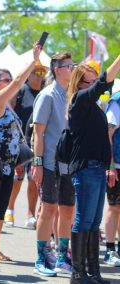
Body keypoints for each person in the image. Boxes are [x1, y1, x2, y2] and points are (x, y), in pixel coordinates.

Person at [0, 42, 42, 264]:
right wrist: (33, 61)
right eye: (5, 80)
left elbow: (15, 135)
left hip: (10, 164)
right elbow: (20, 81)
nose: (10, 83)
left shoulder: (8, 105)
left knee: (0, 209)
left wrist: (19, 159)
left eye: (10, 79)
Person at [67, 57, 120, 283]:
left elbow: (103, 85)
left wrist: (108, 166)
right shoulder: (79, 99)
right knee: (84, 219)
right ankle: (78, 273)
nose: (95, 84)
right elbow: (104, 82)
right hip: (86, 167)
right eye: (90, 81)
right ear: (80, 83)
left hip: (97, 168)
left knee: (93, 221)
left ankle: (92, 271)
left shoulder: (93, 105)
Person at [32, 52, 75, 277]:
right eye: (69, 66)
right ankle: (40, 257)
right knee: (48, 209)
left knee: (67, 210)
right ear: (58, 69)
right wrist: (37, 163)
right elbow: (38, 132)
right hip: (49, 162)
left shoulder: (72, 94)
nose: (73, 69)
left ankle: (61, 257)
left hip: (71, 164)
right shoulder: (47, 95)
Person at [5, 60, 47, 229]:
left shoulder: (44, 93)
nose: (39, 76)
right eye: (36, 73)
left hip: (37, 141)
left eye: (42, 73)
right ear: (28, 74)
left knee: (33, 179)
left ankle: (30, 213)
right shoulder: (21, 92)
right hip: (19, 140)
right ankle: (10, 209)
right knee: (17, 177)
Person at [104, 91, 120, 267]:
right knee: (115, 207)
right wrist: (110, 165)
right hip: (117, 163)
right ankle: (109, 250)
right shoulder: (118, 101)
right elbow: (108, 133)